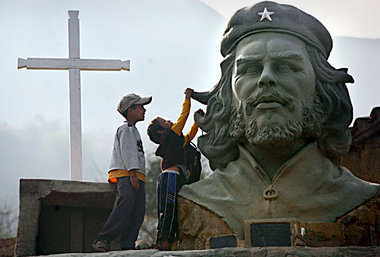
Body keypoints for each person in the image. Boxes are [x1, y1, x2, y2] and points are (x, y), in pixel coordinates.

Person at [177, 1, 379, 247]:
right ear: (228, 93)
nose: (266, 79)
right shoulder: (193, 203)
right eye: (250, 69)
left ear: (321, 87)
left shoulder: (365, 202)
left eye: (286, 66)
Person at [92, 93, 152, 252]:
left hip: (137, 175)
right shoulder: (125, 129)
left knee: (138, 211)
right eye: (140, 107)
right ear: (130, 110)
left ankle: (128, 244)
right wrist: (132, 173)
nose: (144, 110)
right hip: (126, 174)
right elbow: (128, 151)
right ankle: (103, 238)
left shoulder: (134, 130)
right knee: (127, 202)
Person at [147, 88, 201, 250]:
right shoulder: (172, 135)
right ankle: (164, 240)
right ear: (161, 131)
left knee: (169, 209)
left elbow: (189, 137)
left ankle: (169, 240)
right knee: (169, 209)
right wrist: (187, 99)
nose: (169, 121)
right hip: (170, 178)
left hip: (170, 179)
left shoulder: (174, 140)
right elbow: (183, 116)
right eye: (165, 122)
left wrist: (197, 122)